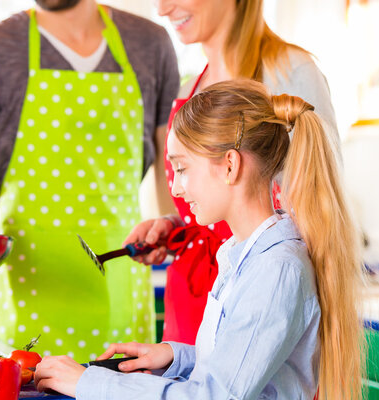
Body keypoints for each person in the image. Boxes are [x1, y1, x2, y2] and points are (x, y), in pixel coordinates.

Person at [33, 80, 365, 400]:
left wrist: (89, 384)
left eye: (182, 169)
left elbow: (215, 395)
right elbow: (244, 364)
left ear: (230, 166)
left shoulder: (277, 270)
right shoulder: (241, 255)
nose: (176, 189)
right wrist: (175, 356)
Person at [0, 0, 180, 360]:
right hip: (25, 299)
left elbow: (174, 166)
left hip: (121, 288)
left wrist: (175, 230)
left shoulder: (150, 44)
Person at [124, 0, 342, 345]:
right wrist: (177, 225)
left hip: (259, 303)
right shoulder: (188, 90)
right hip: (191, 301)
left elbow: (317, 208)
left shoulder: (291, 73)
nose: (163, 9)